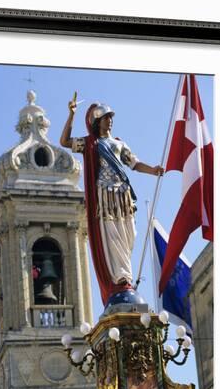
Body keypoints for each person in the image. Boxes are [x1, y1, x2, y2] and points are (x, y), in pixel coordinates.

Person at [60, 97, 164, 306]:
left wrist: (153, 170)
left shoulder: (119, 143)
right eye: (106, 118)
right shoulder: (91, 144)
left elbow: (134, 164)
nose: (110, 121)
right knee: (112, 234)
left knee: (128, 234)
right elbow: (64, 141)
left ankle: (126, 274)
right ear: (97, 122)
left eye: (111, 118)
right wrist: (71, 114)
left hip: (123, 194)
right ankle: (121, 278)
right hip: (105, 195)